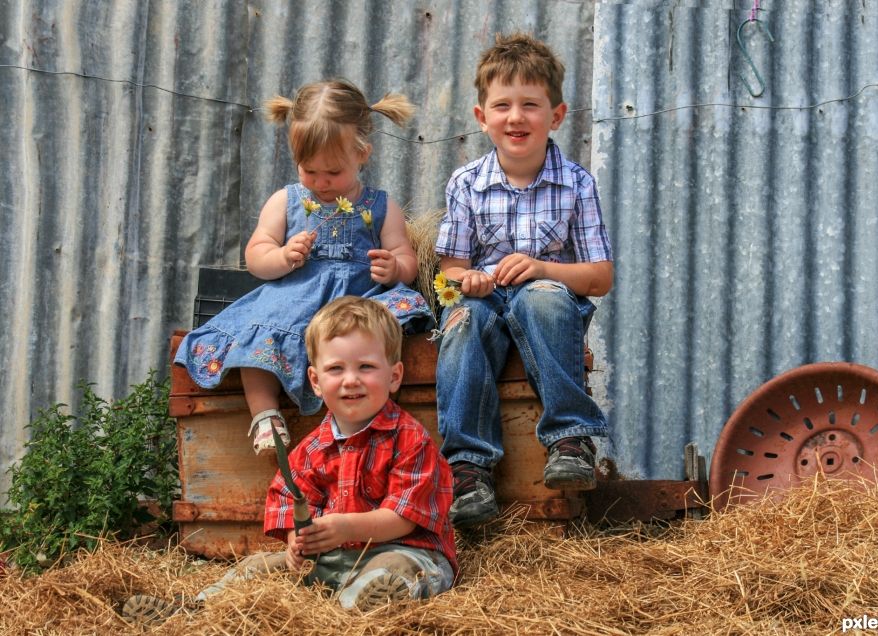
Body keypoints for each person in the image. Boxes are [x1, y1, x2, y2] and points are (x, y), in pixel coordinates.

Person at [123, 297, 456, 624]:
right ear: (316, 381)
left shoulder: (410, 439)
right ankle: (197, 612)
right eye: (336, 369)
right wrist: (298, 540)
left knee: (399, 571)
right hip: (332, 559)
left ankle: (353, 613)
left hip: (403, 548)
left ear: (394, 376)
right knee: (257, 566)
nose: (350, 379)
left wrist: (344, 527)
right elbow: (290, 501)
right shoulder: (311, 449)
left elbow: (403, 518)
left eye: (365, 367)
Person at [174, 80, 433, 455]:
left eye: (333, 172)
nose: (321, 183)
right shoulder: (287, 200)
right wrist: (282, 257)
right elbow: (256, 255)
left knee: (379, 332)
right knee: (256, 338)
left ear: (362, 154)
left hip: (357, 301)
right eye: (309, 171)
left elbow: (406, 258)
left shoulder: (380, 206)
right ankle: (265, 416)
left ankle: (366, 416)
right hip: (294, 300)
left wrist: (394, 268)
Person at [434, 33, 614, 528]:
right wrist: (466, 278)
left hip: (548, 301)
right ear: (481, 117)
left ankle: (570, 440)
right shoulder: (466, 183)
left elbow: (600, 277)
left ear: (556, 115)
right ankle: (469, 469)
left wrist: (542, 269)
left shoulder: (577, 184)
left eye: (530, 105)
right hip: (486, 300)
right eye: (503, 105)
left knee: (542, 299)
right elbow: (448, 268)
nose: (516, 117)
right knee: (462, 321)